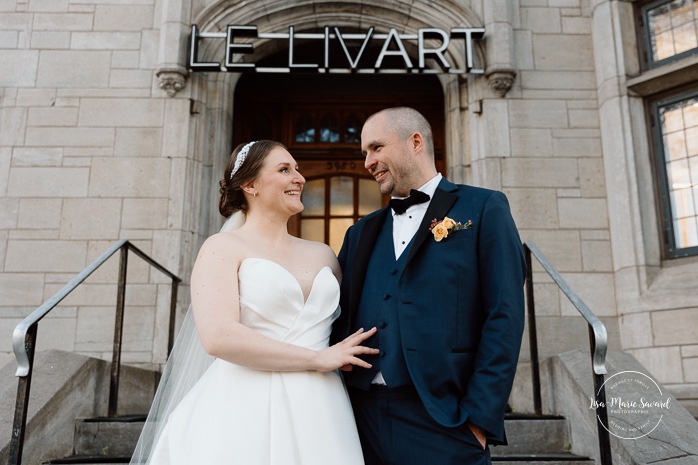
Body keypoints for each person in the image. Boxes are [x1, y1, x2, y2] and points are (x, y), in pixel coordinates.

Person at [130, 140, 378, 464]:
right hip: (242, 404)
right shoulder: (222, 248)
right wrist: (316, 359)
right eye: (284, 170)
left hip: (322, 404)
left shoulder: (324, 255)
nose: (299, 178)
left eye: (298, 169)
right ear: (250, 185)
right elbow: (218, 337)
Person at [331, 107, 526, 465]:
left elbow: (505, 315)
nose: (368, 162)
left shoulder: (483, 208)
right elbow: (336, 313)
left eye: (376, 148)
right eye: (364, 154)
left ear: (415, 142)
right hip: (360, 422)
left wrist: (479, 419)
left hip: (444, 421)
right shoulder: (360, 233)